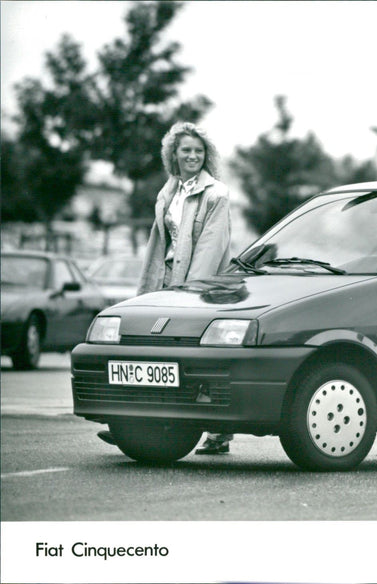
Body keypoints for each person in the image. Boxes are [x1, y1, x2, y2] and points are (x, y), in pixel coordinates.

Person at [96, 121, 234, 455]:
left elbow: (211, 248)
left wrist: (191, 293)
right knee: (154, 355)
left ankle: (220, 431)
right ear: (173, 153)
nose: (193, 156)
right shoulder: (168, 192)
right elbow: (159, 243)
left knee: (200, 358)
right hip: (165, 279)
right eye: (186, 150)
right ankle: (136, 424)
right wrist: (151, 291)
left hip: (197, 284)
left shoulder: (216, 194)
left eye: (199, 151)